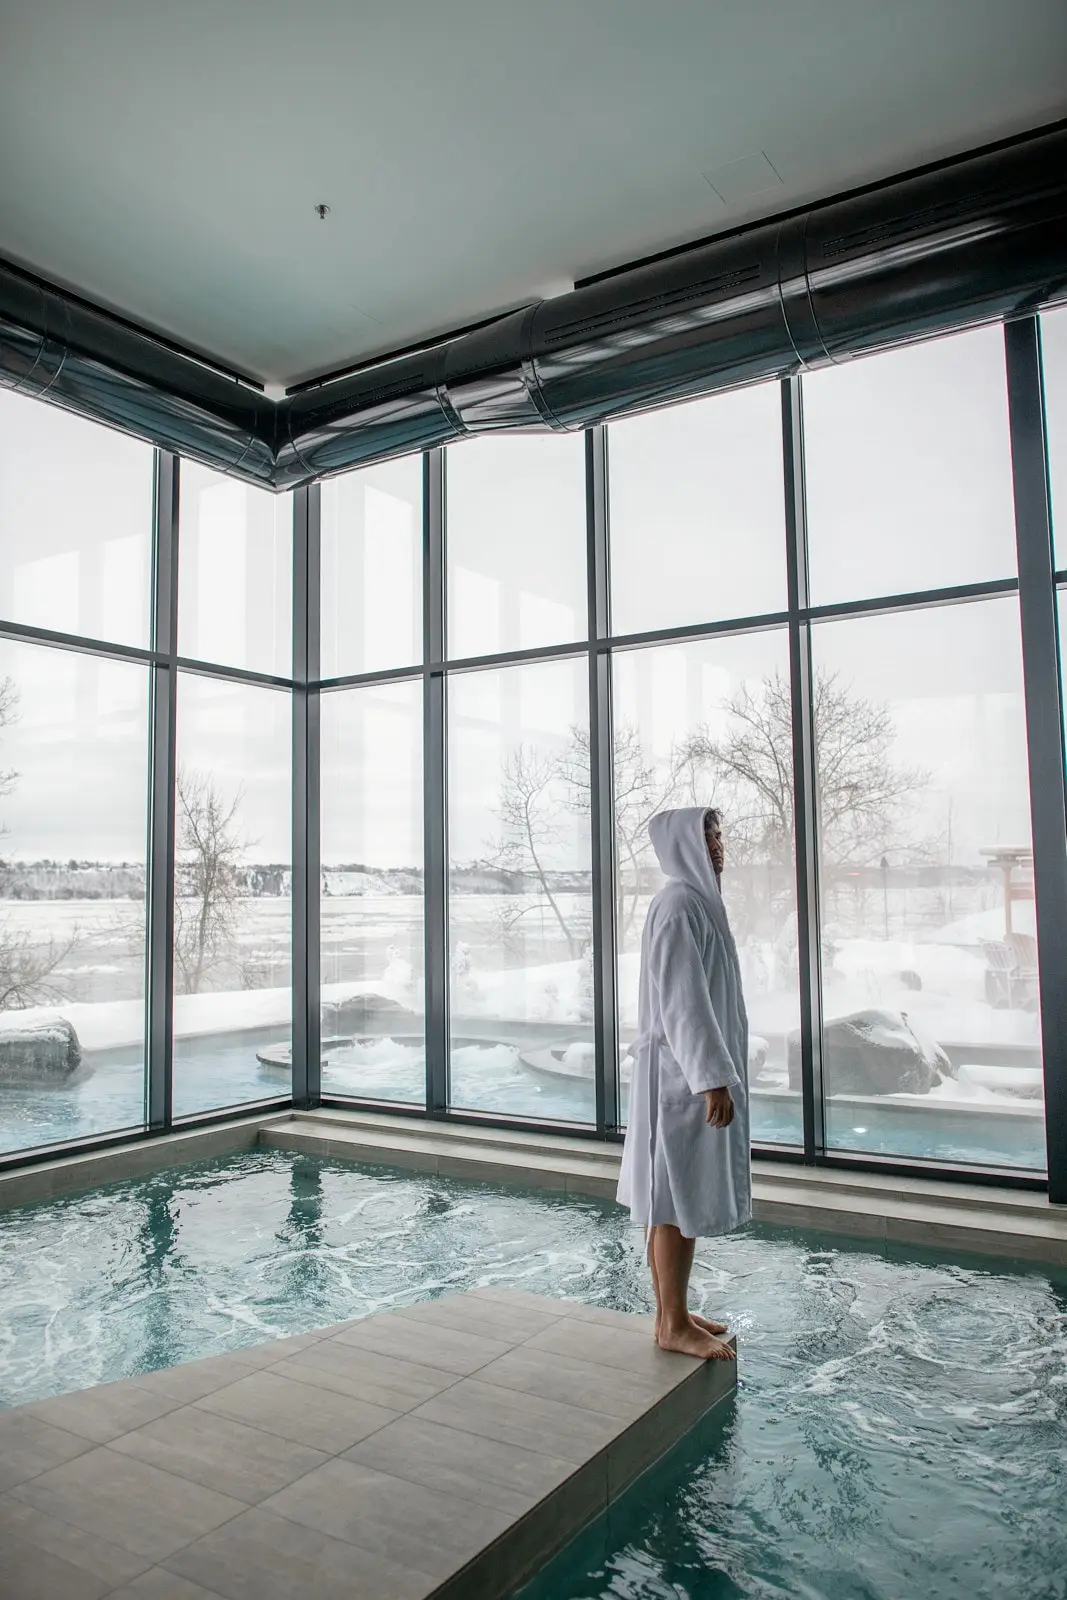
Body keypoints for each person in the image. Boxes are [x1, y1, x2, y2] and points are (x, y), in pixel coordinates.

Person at [617, 806, 750, 1361]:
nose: (717, 843)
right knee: (673, 1199)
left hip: (685, 1076)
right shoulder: (677, 906)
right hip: (680, 1078)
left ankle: (672, 1310)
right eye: (706, 834)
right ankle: (671, 1323)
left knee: (677, 1196)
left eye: (718, 833)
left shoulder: (698, 904)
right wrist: (711, 1078)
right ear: (681, 844)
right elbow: (681, 1003)